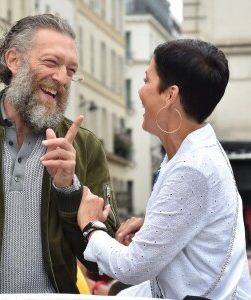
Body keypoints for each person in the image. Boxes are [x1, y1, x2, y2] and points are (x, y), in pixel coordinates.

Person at [0, 14, 119, 294]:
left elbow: (103, 264)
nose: (62, 78)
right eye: (52, 63)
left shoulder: (85, 146)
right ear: (14, 61)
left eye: (71, 70)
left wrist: (68, 189)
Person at [77, 39, 251, 299]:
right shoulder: (194, 154)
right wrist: (156, 230)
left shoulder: (193, 168)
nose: (139, 91)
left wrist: (91, 226)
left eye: (147, 80)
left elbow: (132, 267)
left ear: (170, 95)